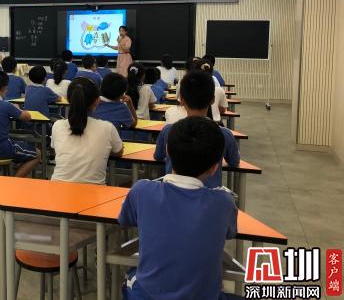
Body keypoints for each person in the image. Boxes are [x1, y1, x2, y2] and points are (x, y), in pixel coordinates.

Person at [119, 116, 238, 300]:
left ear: (167, 150)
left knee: (131, 276)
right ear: (215, 168)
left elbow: (125, 219)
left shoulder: (142, 191)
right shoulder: (224, 202)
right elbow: (230, 232)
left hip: (148, 296)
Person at [154, 70, 240, 188]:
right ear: (212, 100)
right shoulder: (224, 134)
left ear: (181, 99)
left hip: (172, 194)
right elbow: (234, 162)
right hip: (209, 196)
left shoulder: (168, 131)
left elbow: (158, 156)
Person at [51, 77, 123, 184]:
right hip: (94, 191)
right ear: (97, 101)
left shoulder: (57, 125)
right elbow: (118, 152)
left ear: (68, 99)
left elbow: (56, 150)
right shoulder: (107, 128)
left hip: (56, 189)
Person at [0, 71, 40, 177]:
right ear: (5, 88)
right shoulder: (6, 106)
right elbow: (27, 116)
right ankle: (12, 182)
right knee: (37, 154)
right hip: (2, 149)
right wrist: (17, 108)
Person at [193, 59, 228, 123]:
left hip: (192, 122)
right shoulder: (219, 89)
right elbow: (223, 110)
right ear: (212, 71)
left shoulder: (190, 87)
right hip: (215, 122)